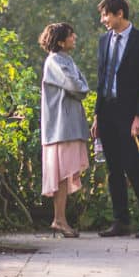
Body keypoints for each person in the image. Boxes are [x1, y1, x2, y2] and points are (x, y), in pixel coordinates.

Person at [91, 0, 139, 238]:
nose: (103, 20)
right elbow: (101, 80)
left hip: (129, 114)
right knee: (114, 170)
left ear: (119, 13)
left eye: (106, 15)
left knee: (135, 167)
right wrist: (96, 116)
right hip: (107, 112)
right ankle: (121, 221)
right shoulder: (104, 41)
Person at [39, 21, 91, 238]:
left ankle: (60, 219)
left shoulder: (66, 60)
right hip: (60, 128)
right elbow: (77, 85)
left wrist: (81, 86)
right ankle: (59, 220)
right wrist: (81, 86)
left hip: (67, 127)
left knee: (63, 174)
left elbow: (82, 84)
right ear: (60, 41)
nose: (75, 37)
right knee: (61, 174)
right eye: (71, 35)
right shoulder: (55, 62)